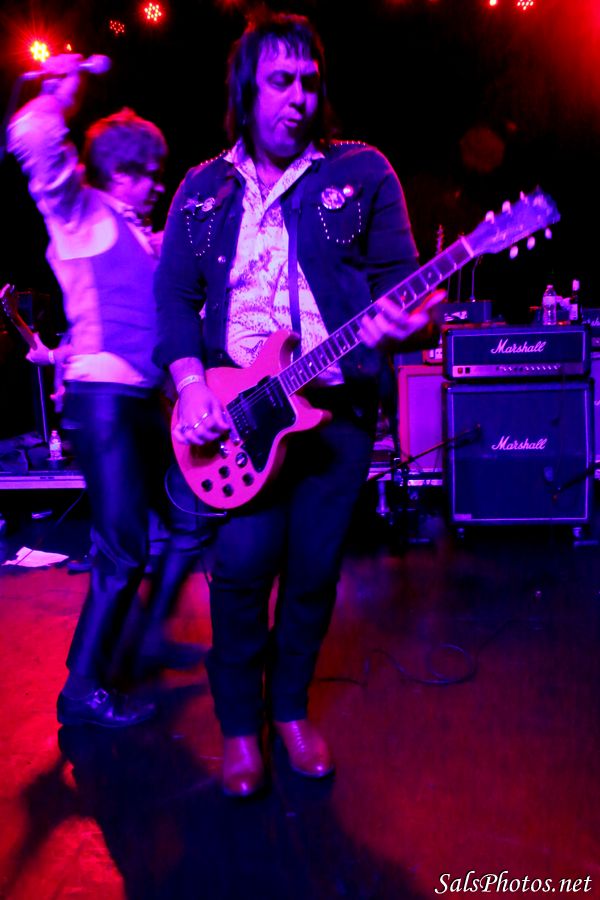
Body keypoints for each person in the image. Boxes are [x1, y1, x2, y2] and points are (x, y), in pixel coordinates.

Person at [154, 11, 439, 795]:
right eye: (281, 81)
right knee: (243, 569)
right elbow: (174, 298)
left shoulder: (363, 172)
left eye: (310, 82)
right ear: (246, 91)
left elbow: (406, 290)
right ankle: (239, 728)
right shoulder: (203, 190)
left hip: (335, 414)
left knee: (314, 574)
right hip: (241, 414)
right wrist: (190, 386)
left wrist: (409, 322)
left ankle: (289, 712)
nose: (299, 98)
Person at [9, 53, 207, 728]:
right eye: (141, 172)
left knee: (191, 516)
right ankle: (82, 690)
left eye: (156, 171)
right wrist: (57, 95)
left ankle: (146, 638)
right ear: (114, 171)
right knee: (122, 549)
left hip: (144, 404)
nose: (155, 183)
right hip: (106, 404)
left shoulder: (140, 236)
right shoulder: (82, 214)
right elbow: (33, 141)